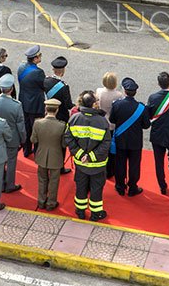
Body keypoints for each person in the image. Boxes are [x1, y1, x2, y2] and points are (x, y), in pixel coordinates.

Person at [64, 91, 111, 221]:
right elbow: (106, 143)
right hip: (98, 164)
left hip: (81, 163)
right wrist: (91, 156)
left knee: (81, 187)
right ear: (94, 104)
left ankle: (80, 211)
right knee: (96, 188)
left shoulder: (74, 119)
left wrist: (80, 154)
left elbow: (68, 137)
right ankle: (96, 214)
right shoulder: (102, 121)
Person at [109, 77, 151, 196]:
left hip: (121, 140)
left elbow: (112, 119)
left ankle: (120, 186)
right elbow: (146, 125)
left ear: (124, 91)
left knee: (120, 164)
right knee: (134, 165)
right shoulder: (141, 108)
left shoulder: (117, 105)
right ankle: (132, 187)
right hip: (135, 142)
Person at [32, 98, 67, 210]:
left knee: (42, 179)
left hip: (41, 155)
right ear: (56, 110)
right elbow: (64, 144)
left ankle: (41, 201)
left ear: (46, 109)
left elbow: (33, 140)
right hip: (56, 156)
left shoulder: (37, 123)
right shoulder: (62, 125)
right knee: (54, 181)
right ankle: (51, 203)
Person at [0, 73, 26, 193]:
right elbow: (20, 125)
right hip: (12, 138)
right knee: (11, 162)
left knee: (0, 162)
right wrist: (23, 139)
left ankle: (1, 183)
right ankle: (10, 185)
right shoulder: (16, 105)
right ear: (12, 89)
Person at [17, 45, 46, 157]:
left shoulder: (21, 67)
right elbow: (43, 86)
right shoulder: (39, 72)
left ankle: (26, 149)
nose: (40, 57)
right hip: (35, 104)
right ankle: (37, 150)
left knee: (26, 127)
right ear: (35, 59)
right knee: (36, 128)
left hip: (24, 101)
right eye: (39, 56)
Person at [95, 72, 124, 179]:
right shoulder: (118, 95)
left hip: (100, 122)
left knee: (100, 146)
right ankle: (110, 169)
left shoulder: (99, 91)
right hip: (112, 124)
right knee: (111, 149)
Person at [43, 56, 73, 123]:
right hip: (61, 116)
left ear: (53, 69)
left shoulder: (45, 80)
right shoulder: (64, 87)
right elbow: (68, 105)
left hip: (48, 112)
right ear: (63, 71)